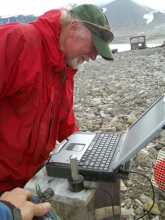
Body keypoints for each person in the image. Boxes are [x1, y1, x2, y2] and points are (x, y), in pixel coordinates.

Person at [0, 4, 114, 193]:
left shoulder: (65, 70)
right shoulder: (19, 41)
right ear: (73, 28)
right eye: (93, 46)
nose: (93, 56)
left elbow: (65, 125)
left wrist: (91, 154)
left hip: (28, 179)